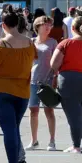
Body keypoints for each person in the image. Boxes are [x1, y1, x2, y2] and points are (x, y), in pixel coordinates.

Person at [0, 7, 36, 163]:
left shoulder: (0, 45)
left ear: (3, 25)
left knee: (9, 129)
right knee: (14, 127)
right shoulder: (30, 43)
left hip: (2, 90)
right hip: (23, 91)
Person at [51, 16, 82, 152]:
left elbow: (54, 64)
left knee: (74, 114)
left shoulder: (65, 43)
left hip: (69, 79)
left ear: (73, 28)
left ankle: (76, 145)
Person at [25, 16, 58, 151]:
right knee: (33, 110)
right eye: (45, 25)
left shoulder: (53, 42)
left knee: (49, 110)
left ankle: (52, 140)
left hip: (48, 81)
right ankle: (34, 140)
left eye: (50, 25)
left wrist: (55, 77)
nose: (48, 27)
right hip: (33, 80)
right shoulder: (31, 42)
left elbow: (57, 63)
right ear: (37, 26)